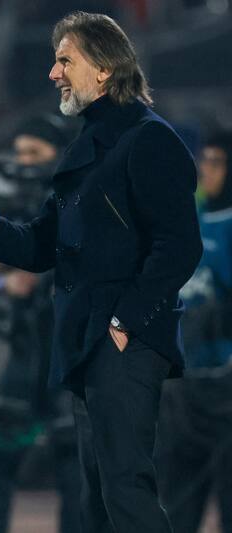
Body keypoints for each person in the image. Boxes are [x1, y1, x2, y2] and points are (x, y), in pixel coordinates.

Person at [0, 11, 202, 532]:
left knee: (125, 491)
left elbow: (179, 247)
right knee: (99, 502)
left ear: (104, 69)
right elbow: (43, 246)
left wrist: (125, 324)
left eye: (65, 60)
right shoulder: (88, 144)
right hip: (87, 344)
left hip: (122, 343)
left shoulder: (150, 140)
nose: (53, 73)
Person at [0, 115, 80, 533]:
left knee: (73, 472)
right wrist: (8, 281)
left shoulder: (75, 208)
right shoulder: (16, 212)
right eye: (18, 153)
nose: (23, 163)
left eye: (34, 153)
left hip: (65, 363)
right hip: (23, 357)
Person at [157, 132, 232, 533]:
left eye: (218, 163)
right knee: (178, 503)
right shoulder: (191, 220)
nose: (207, 171)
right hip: (185, 387)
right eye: (205, 161)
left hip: (226, 388)